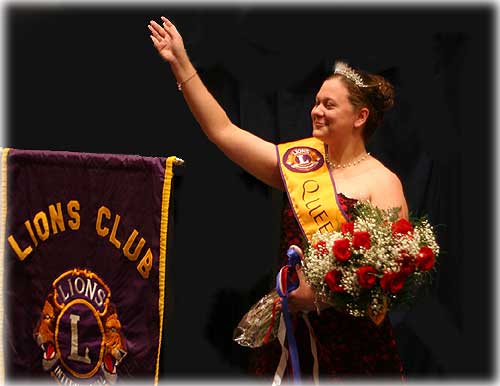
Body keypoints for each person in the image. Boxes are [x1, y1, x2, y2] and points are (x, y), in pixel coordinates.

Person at [148, 16, 407, 381]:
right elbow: (222, 131)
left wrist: (321, 298)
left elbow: (389, 283)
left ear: (360, 116)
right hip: (294, 338)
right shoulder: (302, 165)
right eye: (316, 102)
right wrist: (181, 63)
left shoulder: (383, 182)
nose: (316, 110)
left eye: (329, 105)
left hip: (354, 348)